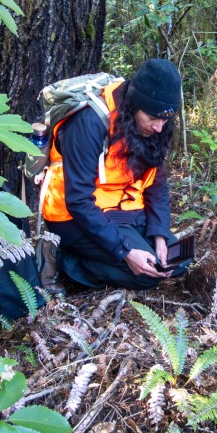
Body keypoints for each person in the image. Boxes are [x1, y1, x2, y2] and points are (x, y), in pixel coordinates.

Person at [40, 59, 189, 291]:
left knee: (177, 259)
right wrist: (125, 251)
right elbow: (78, 201)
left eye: (166, 119)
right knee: (145, 275)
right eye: (152, 118)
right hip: (72, 216)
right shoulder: (89, 123)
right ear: (134, 105)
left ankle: (127, 251)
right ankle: (59, 258)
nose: (159, 127)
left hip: (121, 210)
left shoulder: (155, 127)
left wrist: (160, 235)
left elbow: (156, 185)